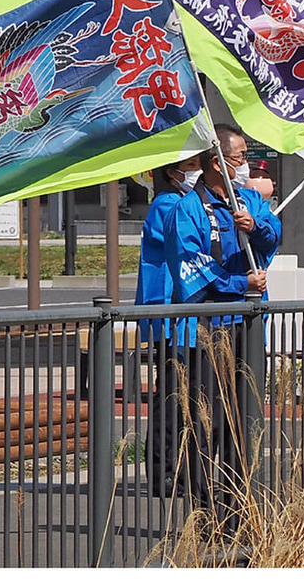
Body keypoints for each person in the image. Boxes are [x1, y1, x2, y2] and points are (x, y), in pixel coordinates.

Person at [164, 123, 281, 528]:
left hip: (246, 328)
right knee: (204, 423)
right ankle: (202, 512)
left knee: (243, 420)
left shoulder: (248, 199)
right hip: (205, 330)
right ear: (216, 162)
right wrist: (239, 283)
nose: (245, 166)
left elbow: (271, 239)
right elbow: (190, 268)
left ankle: (238, 512)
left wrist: (256, 226)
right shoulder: (187, 208)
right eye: (239, 158)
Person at [135, 153, 202, 498]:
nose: (196, 173)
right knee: (172, 397)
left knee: (187, 397)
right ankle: (162, 472)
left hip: (186, 315)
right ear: (172, 172)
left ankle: (183, 469)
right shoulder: (168, 204)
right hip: (172, 315)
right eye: (191, 167)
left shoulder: (178, 202)